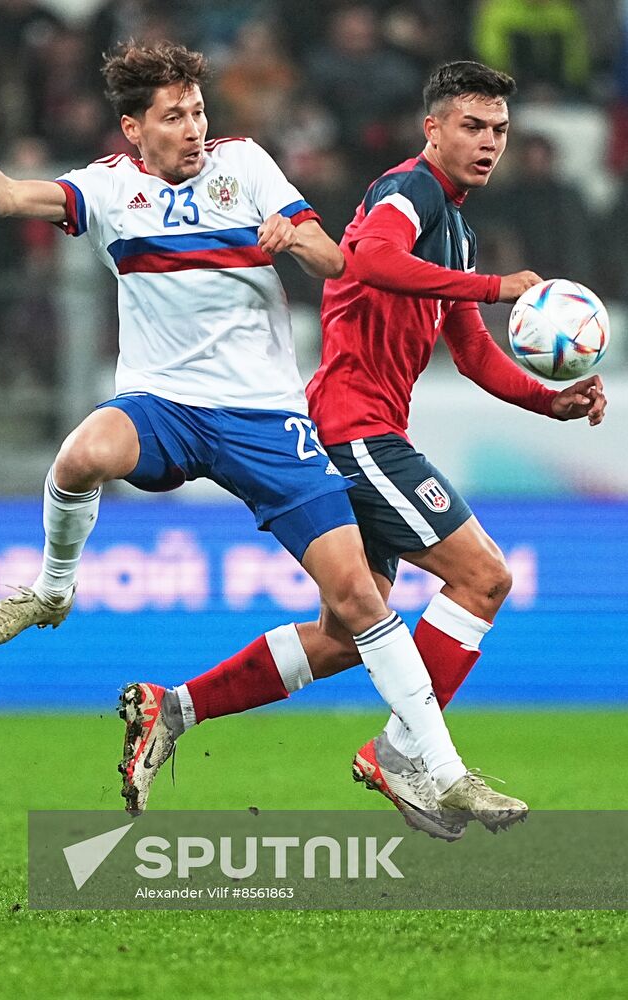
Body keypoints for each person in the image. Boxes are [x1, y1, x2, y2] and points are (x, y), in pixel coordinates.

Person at [0, 41, 529, 838]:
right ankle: (53, 590)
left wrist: (293, 240)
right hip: (165, 404)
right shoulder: (105, 189)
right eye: (174, 117)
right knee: (81, 455)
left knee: (354, 605)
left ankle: (405, 761)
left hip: (269, 421)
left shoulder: (246, 166)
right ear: (135, 129)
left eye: (199, 111)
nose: (194, 128)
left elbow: (335, 258)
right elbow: (5, 199)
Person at [111, 59, 607, 837]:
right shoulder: (406, 193)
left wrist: (551, 399)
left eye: (499, 131)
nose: (487, 143)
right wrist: (494, 288)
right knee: (482, 578)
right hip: (354, 430)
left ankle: (174, 706)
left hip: (362, 430)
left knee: (348, 633)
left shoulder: (456, 229)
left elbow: (471, 353)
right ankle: (404, 753)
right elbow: (367, 259)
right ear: (432, 129)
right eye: (471, 126)